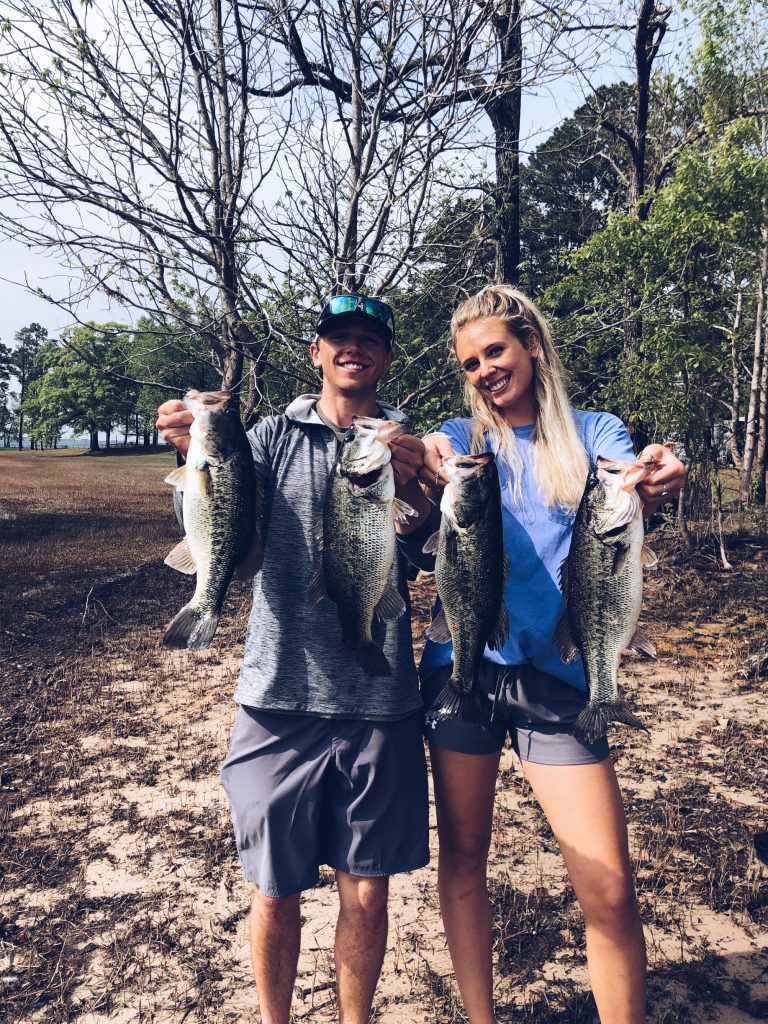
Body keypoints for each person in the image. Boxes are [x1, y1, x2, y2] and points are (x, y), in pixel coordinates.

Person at [156, 294, 438, 1024]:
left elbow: (422, 548)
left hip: (381, 704)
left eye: (368, 339)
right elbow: (239, 550)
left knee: (368, 892)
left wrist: (419, 493)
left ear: (386, 356)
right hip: (277, 696)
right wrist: (193, 454)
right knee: (275, 889)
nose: (353, 348)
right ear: (315, 353)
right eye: (338, 337)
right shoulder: (270, 438)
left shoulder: (407, 445)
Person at [417, 285, 686, 1024]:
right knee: (465, 858)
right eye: (470, 363)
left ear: (532, 344)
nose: (483, 371)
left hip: (563, 678)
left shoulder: (595, 431)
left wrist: (662, 472)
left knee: (608, 889)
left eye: (495, 351)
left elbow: (632, 482)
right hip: (462, 673)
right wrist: (423, 458)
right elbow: (424, 473)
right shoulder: (462, 442)